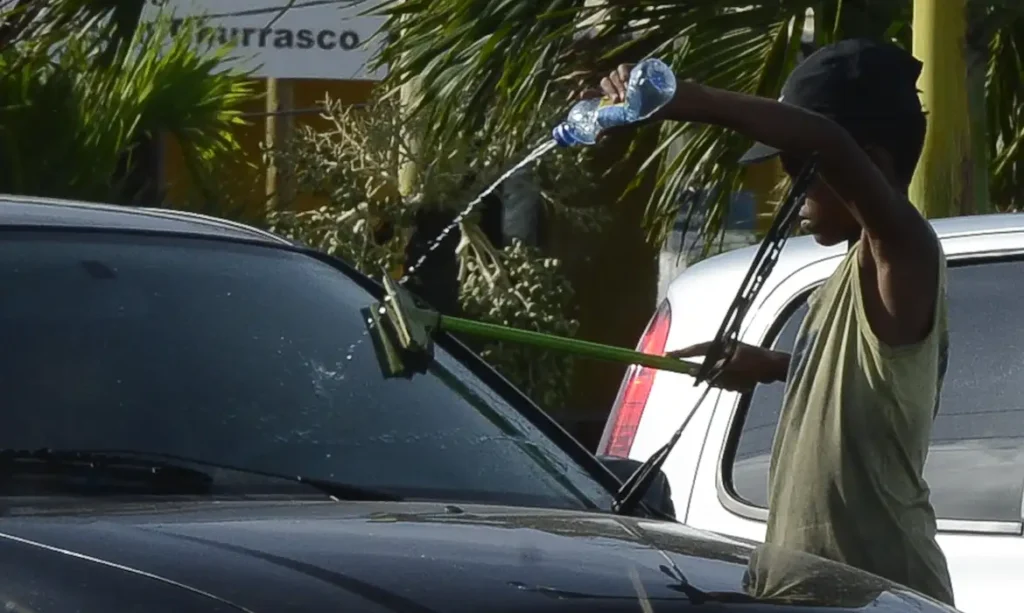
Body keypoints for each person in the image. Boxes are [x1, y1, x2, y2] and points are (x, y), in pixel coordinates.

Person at [589, 39, 954, 605]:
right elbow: (870, 385)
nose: (792, 191)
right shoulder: (849, 279)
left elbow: (828, 141)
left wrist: (689, 99)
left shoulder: (903, 253)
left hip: (879, 595)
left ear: (871, 166)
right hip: (811, 591)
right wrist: (776, 366)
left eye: (799, 170)